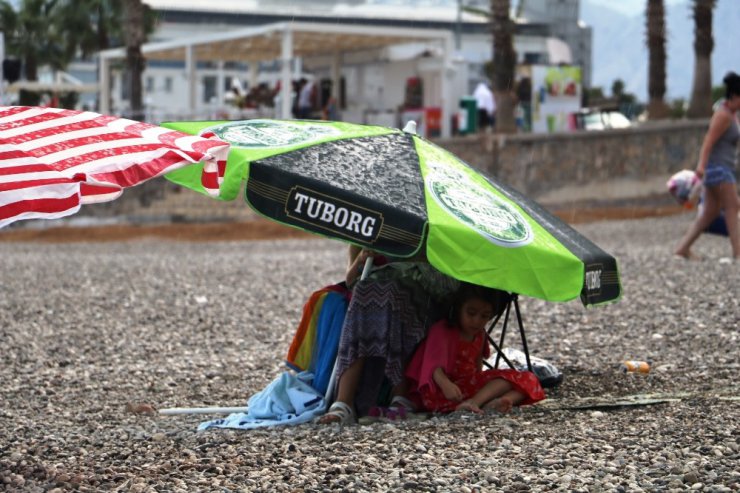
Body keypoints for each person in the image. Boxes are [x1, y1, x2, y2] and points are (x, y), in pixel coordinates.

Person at [317, 245, 457, 424]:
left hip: (421, 293)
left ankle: (348, 401)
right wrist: (361, 259)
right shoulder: (366, 234)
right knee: (368, 292)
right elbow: (351, 281)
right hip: (374, 297)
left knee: (393, 294)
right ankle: (347, 401)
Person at [405, 283, 545, 414]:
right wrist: (446, 384)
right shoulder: (443, 330)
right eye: (471, 313)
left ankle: (500, 401)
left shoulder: (479, 334)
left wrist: (486, 384)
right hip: (443, 391)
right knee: (508, 380)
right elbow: (432, 366)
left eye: (484, 316)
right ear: (459, 308)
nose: (477, 321)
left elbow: (477, 365)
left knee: (530, 378)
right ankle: (475, 403)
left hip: (468, 387)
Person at [675, 71, 740, 260]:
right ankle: (738, 252)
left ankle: (682, 249)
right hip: (719, 170)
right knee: (732, 207)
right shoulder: (723, 116)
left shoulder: (731, 114)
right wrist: (701, 167)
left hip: (721, 169)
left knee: (710, 212)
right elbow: (708, 141)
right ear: (735, 96)